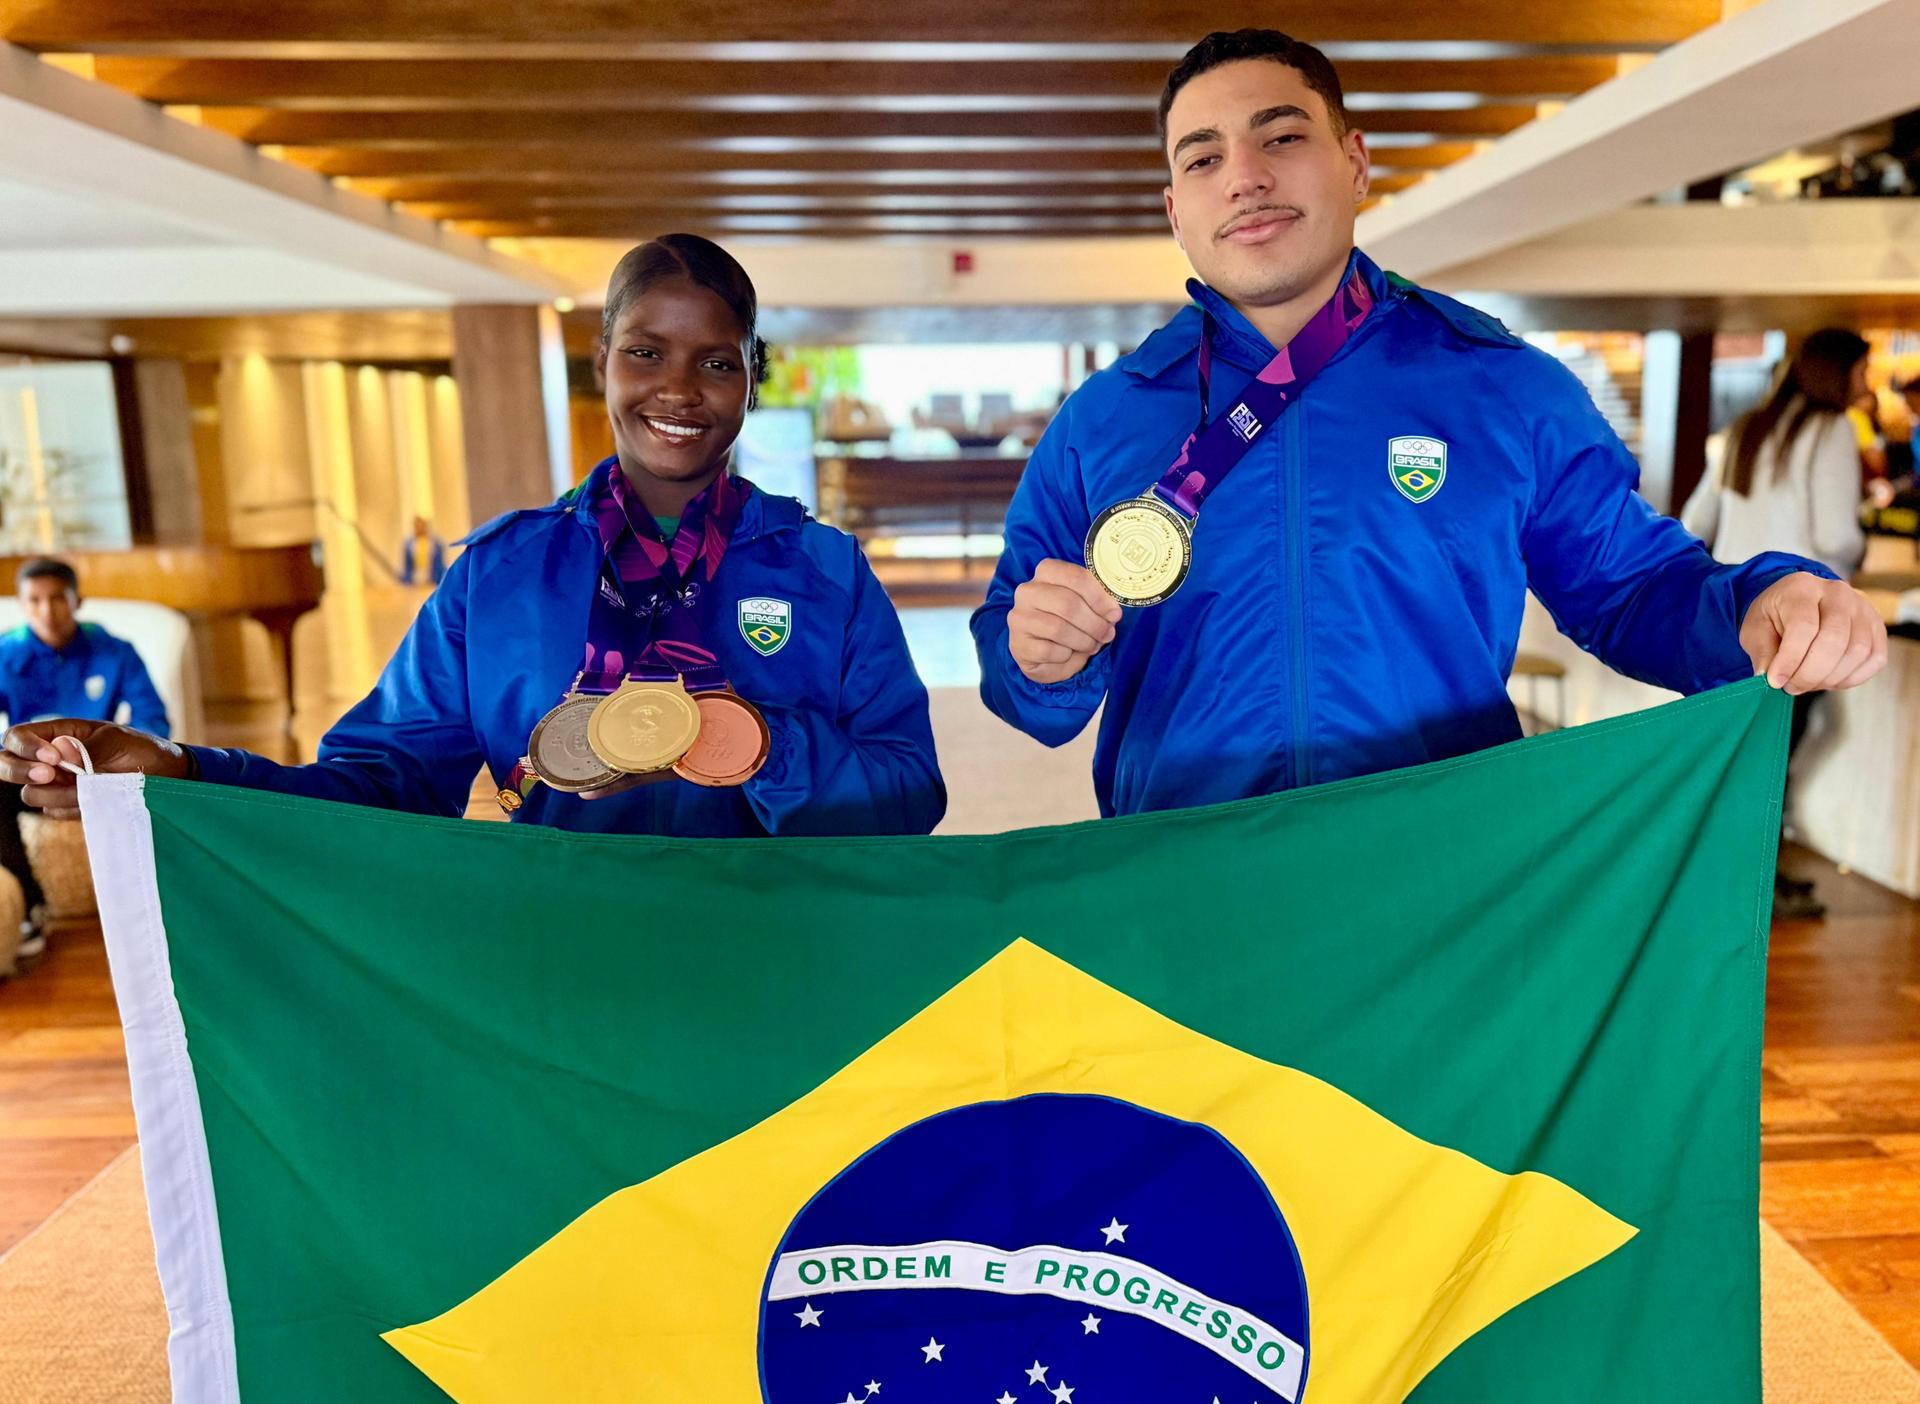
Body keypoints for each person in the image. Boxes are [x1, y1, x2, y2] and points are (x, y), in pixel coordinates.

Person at [972, 28, 1887, 822]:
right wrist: (1039, 660)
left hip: (1443, 882)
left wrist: (1762, 602)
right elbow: (1027, 685)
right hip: (1186, 881)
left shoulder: (1499, 386)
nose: (1244, 178)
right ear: (1176, 210)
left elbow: (1633, 586)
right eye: (1201, 158)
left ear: (1357, 162)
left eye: (1282, 137)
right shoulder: (1104, 420)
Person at [3, 235, 946, 839]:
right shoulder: (499, 576)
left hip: (780, 967)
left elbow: (911, 794)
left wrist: (762, 748)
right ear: (602, 361)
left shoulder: (823, 571)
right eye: (645, 353)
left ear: (752, 378)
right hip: (554, 970)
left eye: (716, 362)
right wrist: (179, 773)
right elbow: (381, 782)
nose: (678, 390)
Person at [1683, 330, 1874, 920]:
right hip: (1801, 620)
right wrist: (1863, 543)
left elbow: (1695, 519)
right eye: (1863, 373)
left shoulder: (1750, 427)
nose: (1867, 386)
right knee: (1784, 742)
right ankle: (1755, 876)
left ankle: (1739, 869)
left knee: (1749, 745)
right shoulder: (1830, 430)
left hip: (1737, 615)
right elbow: (1837, 536)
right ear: (1836, 373)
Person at [0, 558, 168, 958]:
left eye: (57, 598)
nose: (47, 611)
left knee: (165, 777)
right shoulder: (5, 654)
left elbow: (153, 719)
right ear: (22, 605)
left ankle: (155, 906)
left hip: (98, 767)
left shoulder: (115, 652)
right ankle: (29, 904)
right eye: (35, 600)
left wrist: (113, 752)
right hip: (32, 772)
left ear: (78, 600)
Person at [397, 515, 447, 586]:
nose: (419, 528)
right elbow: (407, 566)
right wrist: (407, 581)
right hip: (414, 581)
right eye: (417, 526)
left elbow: (440, 564)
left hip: (432, 580)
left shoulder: (436, 543)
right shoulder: (409, 544)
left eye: (421, 525)